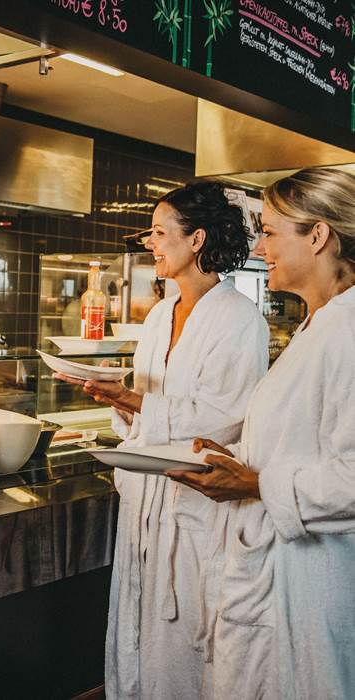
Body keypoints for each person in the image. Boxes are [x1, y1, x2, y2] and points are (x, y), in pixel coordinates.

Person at [56, 180, 269, 698]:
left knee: (185, 643)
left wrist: (134, 401)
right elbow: (145, 404)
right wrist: (118, 400)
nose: (150, 243)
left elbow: (225, 422)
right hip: (144, 505)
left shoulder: (241, 320)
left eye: (158, 232)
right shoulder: (157, 315)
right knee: (135, 628)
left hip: (193, 511)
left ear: (196, 240)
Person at [170, 167, 355, 699]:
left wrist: (255, 485)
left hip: (313, 593)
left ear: (317, 236)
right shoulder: (317, 324)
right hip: (281, 583)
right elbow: (302, 441)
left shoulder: (346, 331)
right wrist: (235, 457)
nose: (260, 245)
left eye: (271, 231)